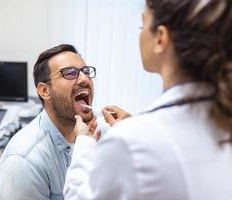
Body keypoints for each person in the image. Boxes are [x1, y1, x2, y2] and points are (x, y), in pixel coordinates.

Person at [64, 0, 232, 199]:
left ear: (161, 38)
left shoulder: (132, 142)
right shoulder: (220, 117)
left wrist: (84, 142)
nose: (83, 78)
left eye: (142, 26)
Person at [0, 44, 104, 200]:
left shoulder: (95, 135)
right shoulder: (23, 161)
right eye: (70, 73)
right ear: (45, 91)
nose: (85, 78)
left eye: (86, 71)